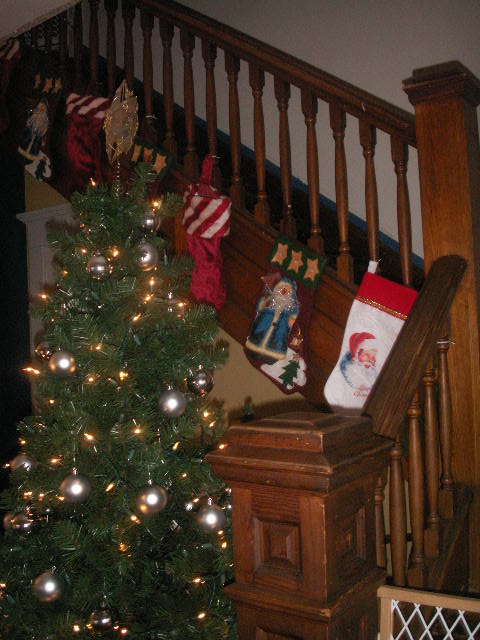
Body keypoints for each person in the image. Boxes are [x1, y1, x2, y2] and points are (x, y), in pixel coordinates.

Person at [245, 276, 299, 363]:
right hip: (259, 334)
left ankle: (270, 355)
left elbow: (294, 314)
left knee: (274, 348)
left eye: (286, 291)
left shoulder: (290, 308)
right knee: (256, 341)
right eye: (281, 289)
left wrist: (292, 319)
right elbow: (260, 307)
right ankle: (254, 350)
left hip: (276, 343)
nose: (283, 292)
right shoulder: (269, 301)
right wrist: (265, 303)